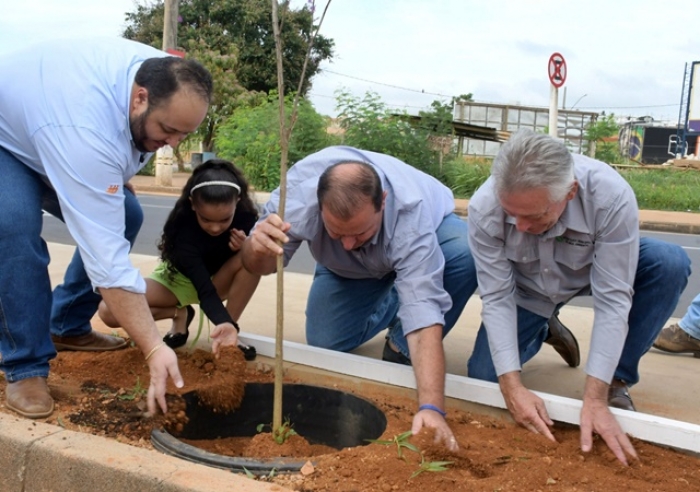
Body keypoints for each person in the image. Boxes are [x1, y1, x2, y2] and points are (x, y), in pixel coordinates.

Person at [0, 37, 213, 419]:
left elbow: (121, 149)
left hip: (54, 129)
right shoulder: (83, 127)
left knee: (128, 213)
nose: (170, 146)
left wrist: (111, 173)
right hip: (8, 141)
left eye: (183, 135)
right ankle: (25, 366)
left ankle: (66, 324)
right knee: (13, 226)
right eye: (168, 131)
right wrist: (152, 346)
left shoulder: (166, 75)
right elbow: (108, 263)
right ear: (139, 99)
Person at [466, 129, 690, 465]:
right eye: (513, 215)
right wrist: (511, 387)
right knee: (485, 378)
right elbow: (497, 297)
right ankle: (545, 326)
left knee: (668, 262)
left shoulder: (610, 196)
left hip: (592, 274)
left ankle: (616, 378)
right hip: (528, 290)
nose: (521, 227)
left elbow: (614, 300)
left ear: (569, 192)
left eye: (534, 216)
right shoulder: (484, 207)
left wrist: (594, 397)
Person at [241, 145, 476, 451]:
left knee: (465, 255)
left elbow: (424, 310)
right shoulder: (295, 200)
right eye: (337, 233)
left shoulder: (409, 215)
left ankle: (399, 340)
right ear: (319, 207)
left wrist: (431, 408)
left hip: (431, 234)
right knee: (326, 343)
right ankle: (396, 295)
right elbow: (257, 266)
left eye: (360, 233)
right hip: (346, 271)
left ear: (383, 202)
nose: (350, 244)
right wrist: (257, 248)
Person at [98, 159, 260, 360]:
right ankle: (179, 313)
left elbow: (261, 263)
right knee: (108, 311)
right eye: (206, 219)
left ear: (237, 201)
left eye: (224, 220)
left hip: (219, 279)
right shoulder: (183, 230)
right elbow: (204, 291)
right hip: (177, 281)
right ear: (193, 204)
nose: (216, 228)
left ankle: (228, 333)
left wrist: (245, 247)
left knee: (253, 255)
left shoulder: (246, 217)